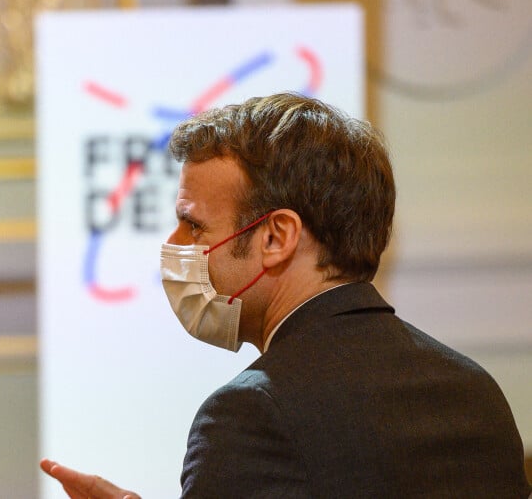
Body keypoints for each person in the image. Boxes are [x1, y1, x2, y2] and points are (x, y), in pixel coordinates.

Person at [41, 92, 531, 498]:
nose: (173, 245)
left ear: (276, 237)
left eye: (193, 225)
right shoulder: (474, 391)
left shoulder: (251, 413)